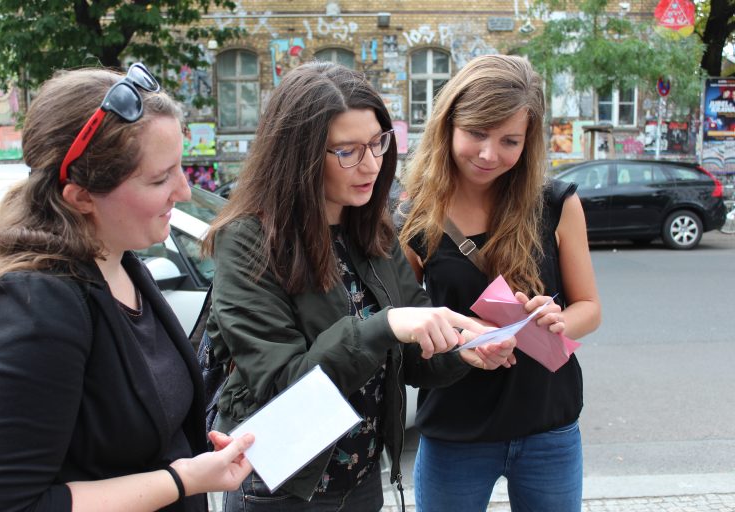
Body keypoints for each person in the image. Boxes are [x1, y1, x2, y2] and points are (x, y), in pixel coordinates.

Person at [201, 61, 516, 512]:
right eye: (347, 151)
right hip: (284, 488)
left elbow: (410, 361)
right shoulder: (249, 239)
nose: (371, 164)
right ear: (300, 156)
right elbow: (282, 386)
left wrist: (463, 351)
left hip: (362, 479)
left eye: (377, 143)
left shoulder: (372, 228)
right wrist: (384, 325)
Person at [0, 64, 254, 512]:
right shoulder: (35, 305)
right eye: (160, 178)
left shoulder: (121, 260)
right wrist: (180, 480)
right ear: (81, 197)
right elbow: (3, 502)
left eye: (181, 168)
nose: (182, 190)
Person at [398, 54, 602, 511]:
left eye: (509, 140)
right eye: (475, 133)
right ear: (448, 125)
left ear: (528, 142)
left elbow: (589, 307)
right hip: (455, 431)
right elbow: (400, 328)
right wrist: (460, 340)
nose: (490, 154)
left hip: (549, 427)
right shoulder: (415, 217)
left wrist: (558, 321)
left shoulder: (556, 204)